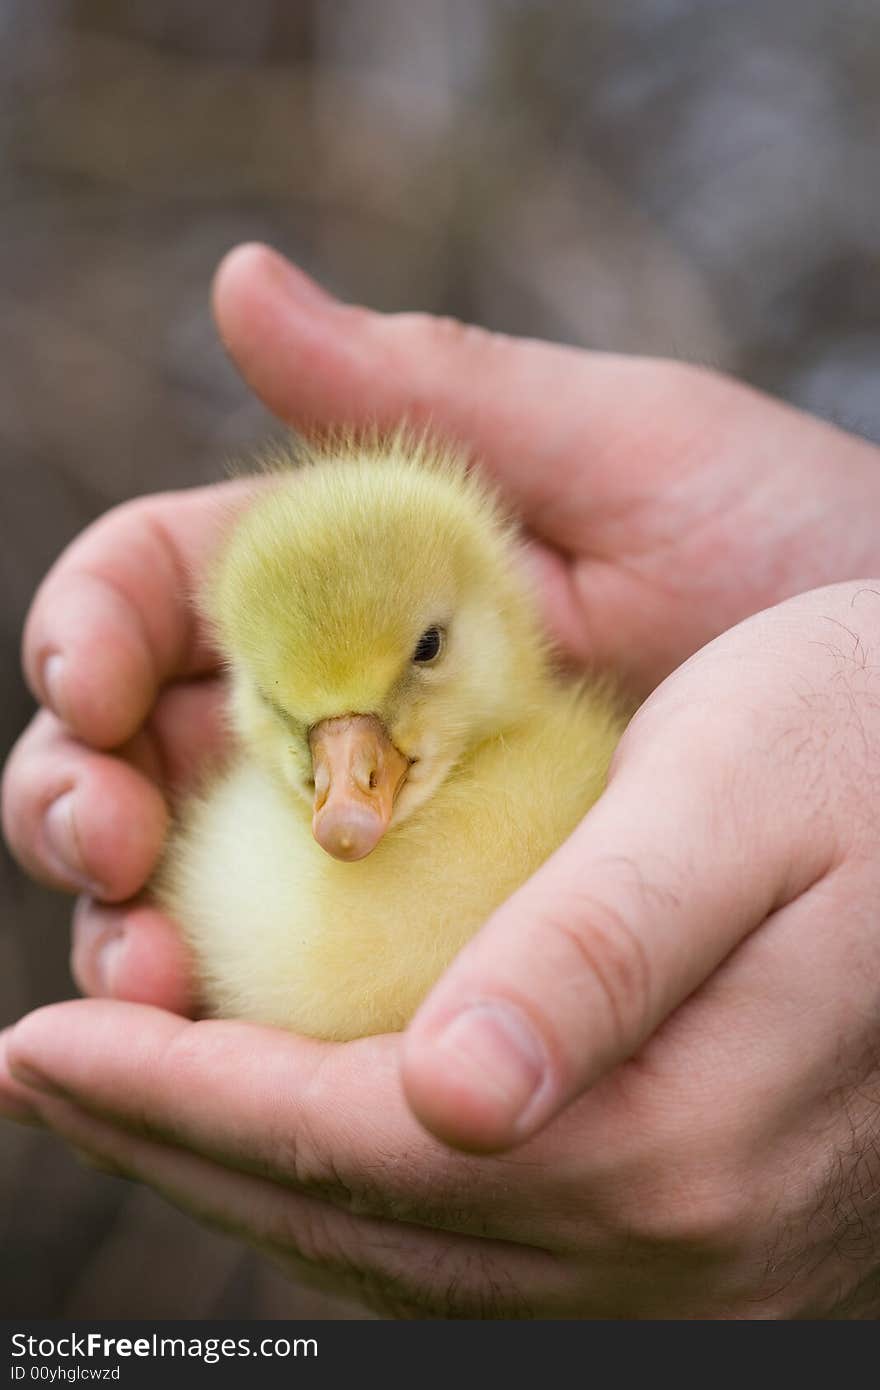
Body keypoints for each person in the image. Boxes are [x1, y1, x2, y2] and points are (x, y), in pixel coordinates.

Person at [3, 243, 880, 1318]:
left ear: (494, 611)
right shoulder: (260, 835)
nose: (351, 792)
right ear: (247, 693)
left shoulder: (601, 778)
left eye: (419, 660)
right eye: (301, 721)